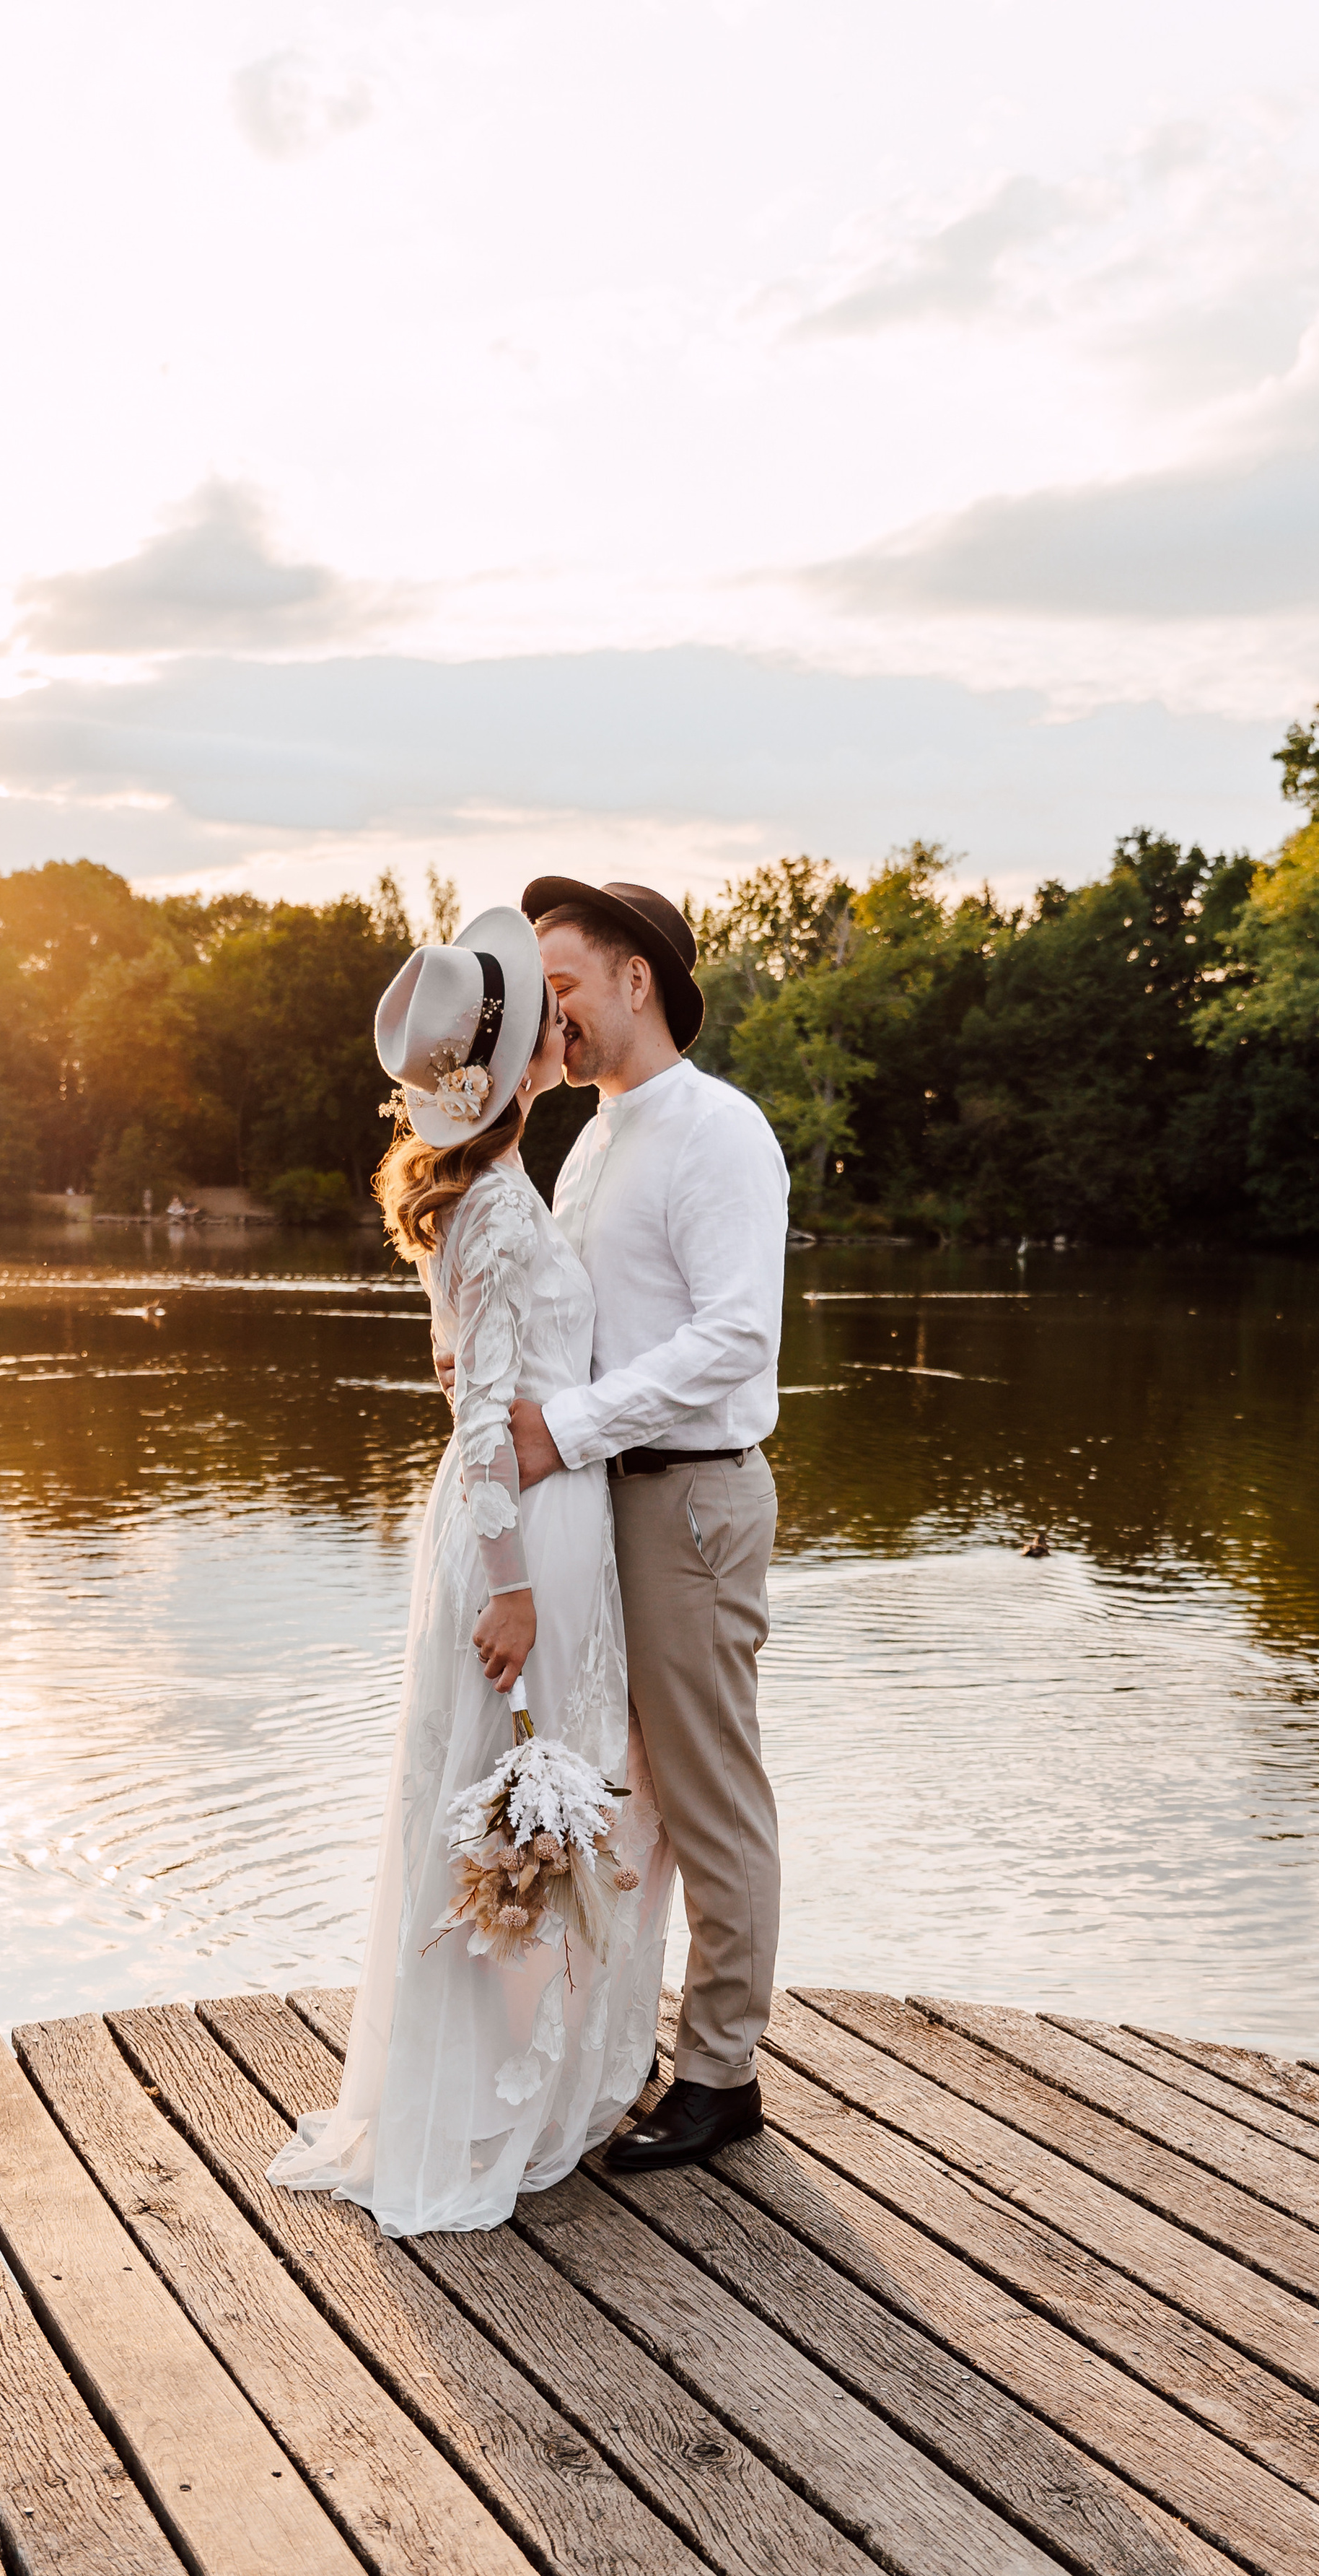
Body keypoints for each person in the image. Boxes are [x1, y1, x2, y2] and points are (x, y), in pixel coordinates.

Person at [266, 907, 672, 2237]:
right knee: (522, 1795)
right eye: (540, 1006)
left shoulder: (500, 1194)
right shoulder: (495, 1209)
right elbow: (484, 1418)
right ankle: (500, 2095)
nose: (566, 1017)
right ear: (510, 1060)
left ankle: (521, 2079)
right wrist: (507, 1584)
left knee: (523, 1789)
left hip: (535, 1520)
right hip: (520, 1534)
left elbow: (488, 1381)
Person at [507, 877, 789, 2173]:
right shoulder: (597, 1135)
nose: (550, 1011)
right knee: (620, 1788)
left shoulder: (715, 1130)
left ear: (636, 981)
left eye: (562, 984)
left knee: (705, 1788)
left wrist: (565, 1430)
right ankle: (620, 2046)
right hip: (608, 1500)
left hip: (689, 1499)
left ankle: (722, 2077)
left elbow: (735, 1334)